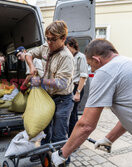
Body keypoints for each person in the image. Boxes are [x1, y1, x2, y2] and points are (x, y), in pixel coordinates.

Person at [51, 39, 132, 167]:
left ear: (97, 60)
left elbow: (86, 125)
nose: (91, 70)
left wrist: (62, 154)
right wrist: (109, 139)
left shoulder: (105, 71)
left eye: (91, 65)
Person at [25, 20, 74, 163]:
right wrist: (31, 66)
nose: (50, 42)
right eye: (48, 38)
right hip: (48, 96)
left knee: (59, 134)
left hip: (63, 99)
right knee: (45, 129)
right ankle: (43, 154)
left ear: (63, 38)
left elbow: (62, 83)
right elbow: (29, 53)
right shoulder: (46, 47)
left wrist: (40, 81)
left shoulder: (66, 57)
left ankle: (62, 160)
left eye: (53, 39)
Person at [65, 37, 88, 136]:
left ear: (71, 45)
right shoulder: (69, 57)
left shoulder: (81, 57)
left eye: (66, 47)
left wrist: (78, 92)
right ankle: (71, 136)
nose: (65, 50)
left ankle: (74, 138)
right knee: (70, 114)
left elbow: (83, 76)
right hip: (69, 88)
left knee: (73, 114)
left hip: (77, 87)